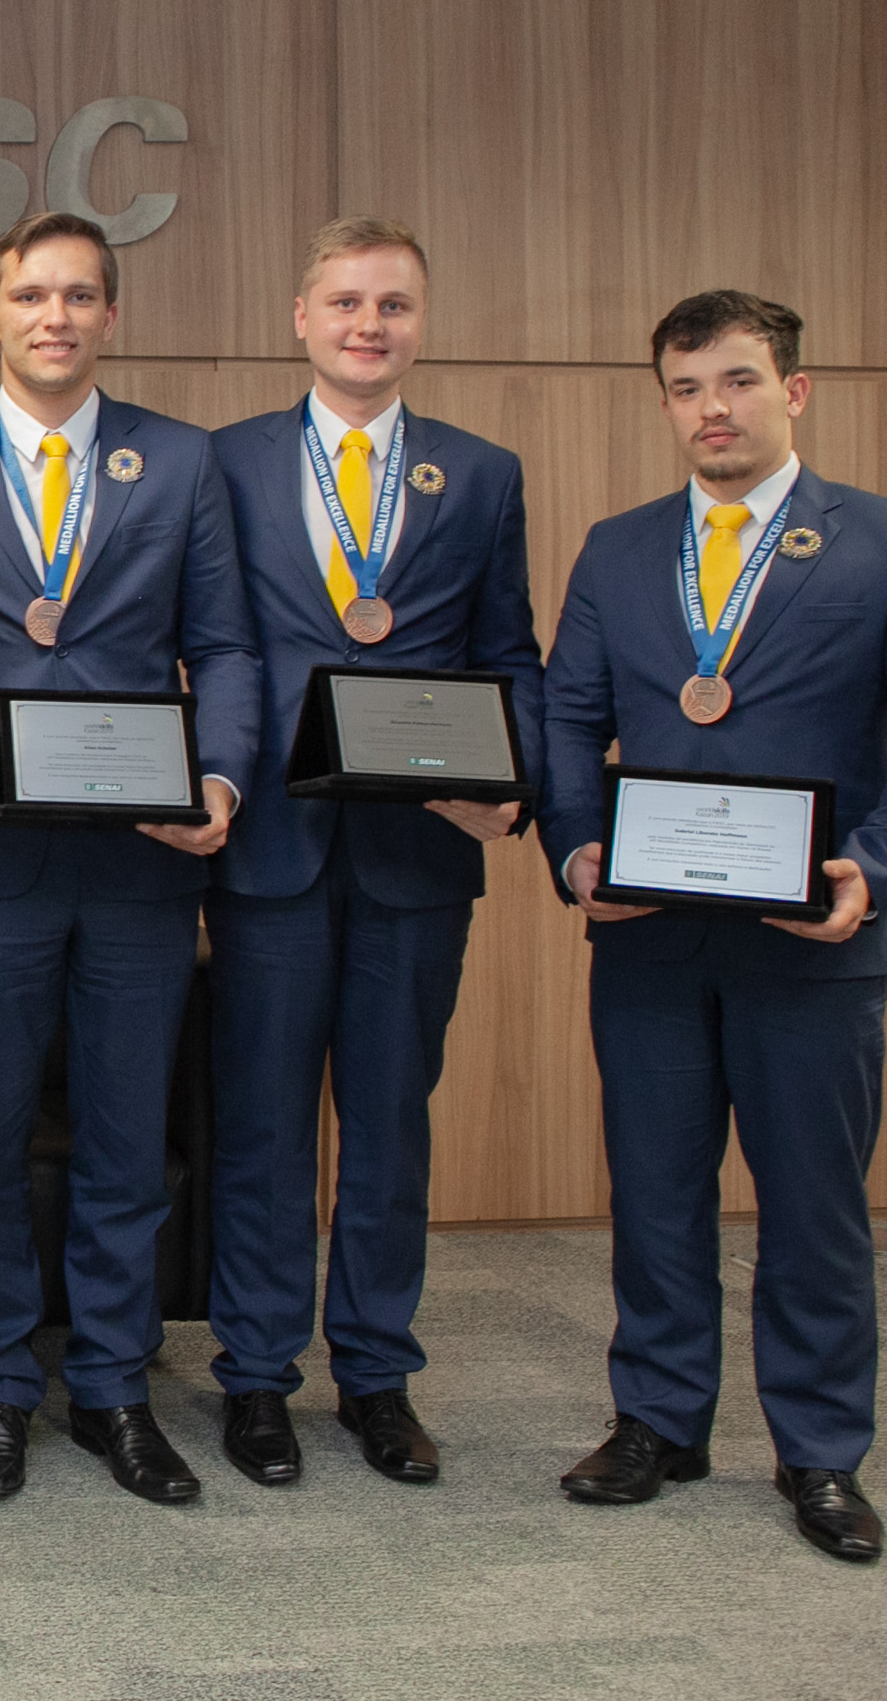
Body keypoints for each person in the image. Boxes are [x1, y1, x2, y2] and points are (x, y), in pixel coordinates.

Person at [539, 290, 887, 1563]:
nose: (713, 410)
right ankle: (658, 1419)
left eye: (737, 381)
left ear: (793, 390)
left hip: (815, 936)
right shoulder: (619, 548)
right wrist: (577, 846)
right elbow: (569, 716)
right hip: (650, 935)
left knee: (813, 1203)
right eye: (687, 388)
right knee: (655, 1190)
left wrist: (878, 867)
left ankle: (821, 1448)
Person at [0, 210, 260, 1508]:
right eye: (32, 295)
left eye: (80, 296)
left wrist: (222, 778)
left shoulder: (183, 459)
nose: (56, 316)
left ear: (110, 316)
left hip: (144, 859)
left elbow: (227, 645)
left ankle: (110, 1385)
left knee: (124, 1136)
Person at [202, 219, 543, 1489]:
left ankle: (379, 1373)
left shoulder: (482, 473)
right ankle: (255, 1372)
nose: (368, 324)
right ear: (301, 316)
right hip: (270, 846)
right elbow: (213, 644)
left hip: (419, 851)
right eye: (345, 301)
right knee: (263, 1122)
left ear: (420, 322)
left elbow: (509, 654)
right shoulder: (226, 461)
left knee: (392, 1122)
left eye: (393, 304)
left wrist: (513, 788)